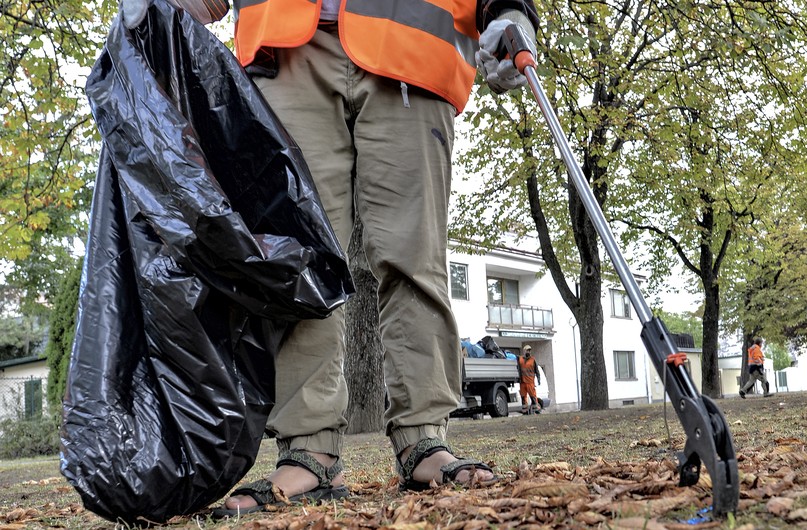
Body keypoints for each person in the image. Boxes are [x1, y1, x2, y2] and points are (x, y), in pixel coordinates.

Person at [122, 0, 540, 515]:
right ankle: (308, 448)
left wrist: (509, 9)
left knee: (414, 256)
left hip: (414, 48)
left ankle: (424, 437)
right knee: (298, 263)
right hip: (286, 51)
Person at [517, 345, 541, 414]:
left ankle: (536, 410)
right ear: (524, 351)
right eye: (527, 350)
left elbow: (537, 371)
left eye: (529, 350)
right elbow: (518, 369)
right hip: (522, 382)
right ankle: (525, 411)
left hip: (530, 382)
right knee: (523, 397)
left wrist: (539, 379)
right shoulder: (520, 359)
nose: (529, 352)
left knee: (533, 396)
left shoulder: (533, 360)